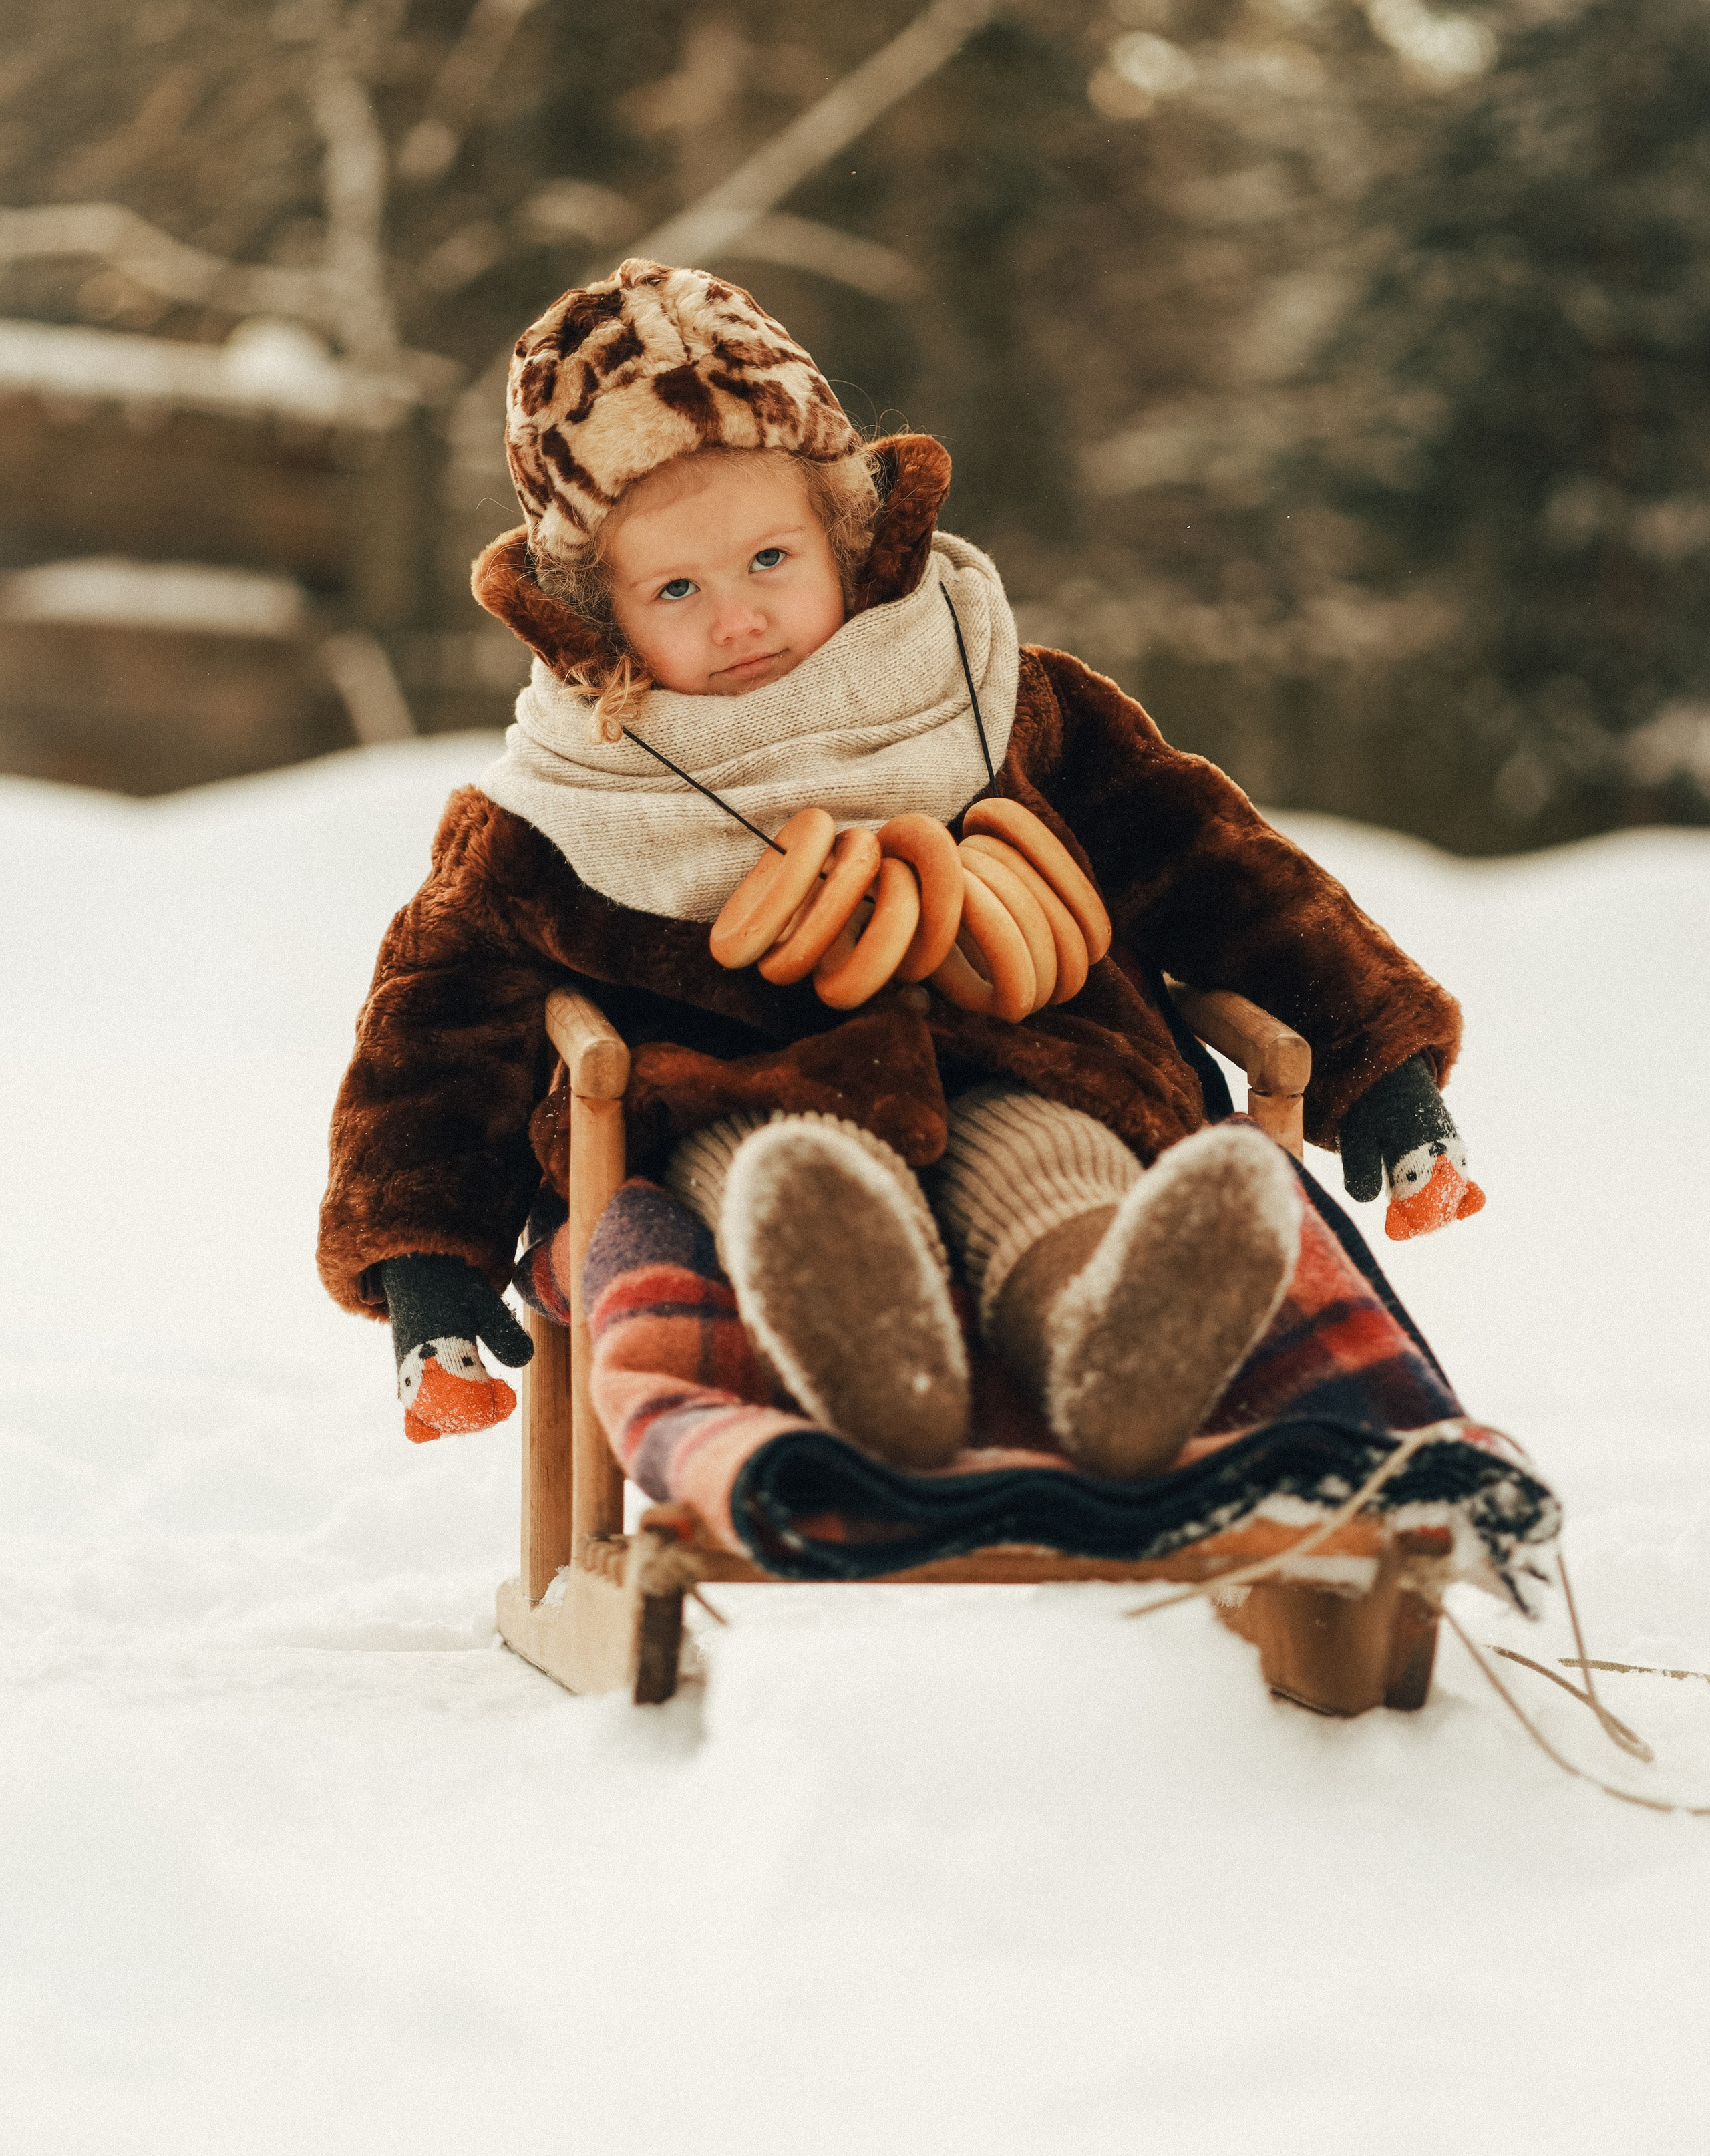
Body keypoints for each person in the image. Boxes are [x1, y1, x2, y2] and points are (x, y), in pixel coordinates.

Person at [319, 257, 1482, 1479]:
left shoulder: (994, 692)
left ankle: (1116, 1343)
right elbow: (438, 1027)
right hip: (735, 1107)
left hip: (1041, 1057)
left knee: (1056, 1161)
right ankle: (872, 1364)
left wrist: (1372, 1053)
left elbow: (1209, 859)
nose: (736, 617)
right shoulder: (559, 809)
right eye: (676, 587)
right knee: (779, 1181)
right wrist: (426, 1258)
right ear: (598, 615)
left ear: (846, 531)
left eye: (770, 559)